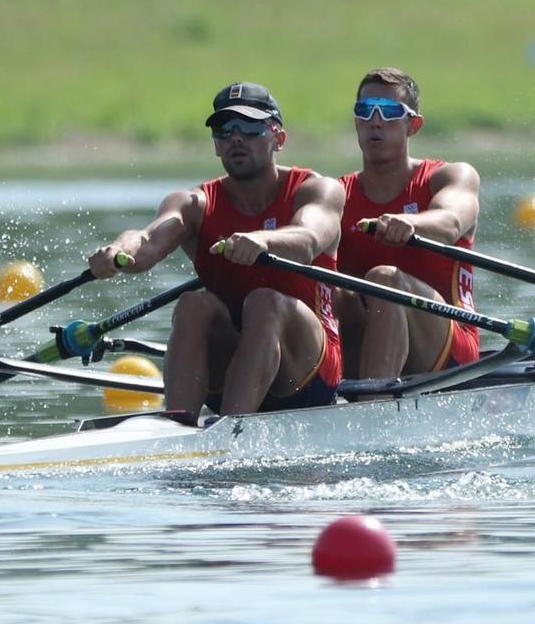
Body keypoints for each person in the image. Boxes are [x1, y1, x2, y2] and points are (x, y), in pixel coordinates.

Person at [90, 82, 345, 417]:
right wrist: (118, 251)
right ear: (216, 145)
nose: (236, 138)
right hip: (231, 364)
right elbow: (148, 241)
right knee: (194, 304)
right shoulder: (194, 203)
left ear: (278, 138)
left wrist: (263, 241)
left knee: (265, 301)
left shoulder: (317, 190)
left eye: (251, 127)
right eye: (224, 130)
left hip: (309, 373)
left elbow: (308, 239)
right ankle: (178, 426)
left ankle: (231, 428)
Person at [333, 68, 482, 383]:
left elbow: (452, 221)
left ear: (413, 125)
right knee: (332, 294)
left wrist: (410, 223)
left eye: (389, 112)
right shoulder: (336, 195)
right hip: (369, 338)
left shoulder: (450, 177)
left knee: (384, 279)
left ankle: (376, 405)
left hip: (450, 349)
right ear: (357, 121)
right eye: (365, 111)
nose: (375, 121)